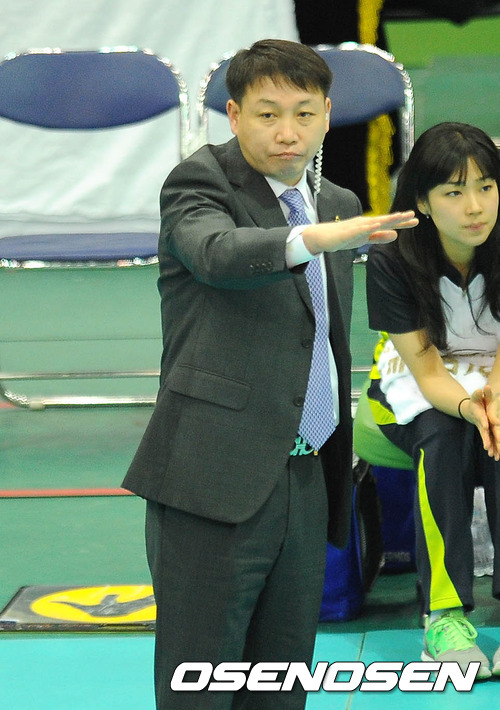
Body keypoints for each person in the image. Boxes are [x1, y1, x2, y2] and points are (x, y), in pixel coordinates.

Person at [123, 38, 416, 710]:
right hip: (213, 475)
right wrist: (311, 238)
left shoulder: (336, 201)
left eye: (304, 114)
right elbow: (216, 252)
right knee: (200, 685)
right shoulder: (200, 183)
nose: (288, 133)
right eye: (267, 114)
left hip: (307, 474)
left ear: (327, 114)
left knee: (281, 684)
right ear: (234, 115)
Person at [366, 121, 500, 679]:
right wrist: (471, 409)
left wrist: (494, 402)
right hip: (417, 376)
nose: (475, 207)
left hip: (493, 371)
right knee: (444, 439)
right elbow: (425, 370)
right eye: (454, 191)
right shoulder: (393, 257)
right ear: (422, 201)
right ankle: (443, 614)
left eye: (486, 186)